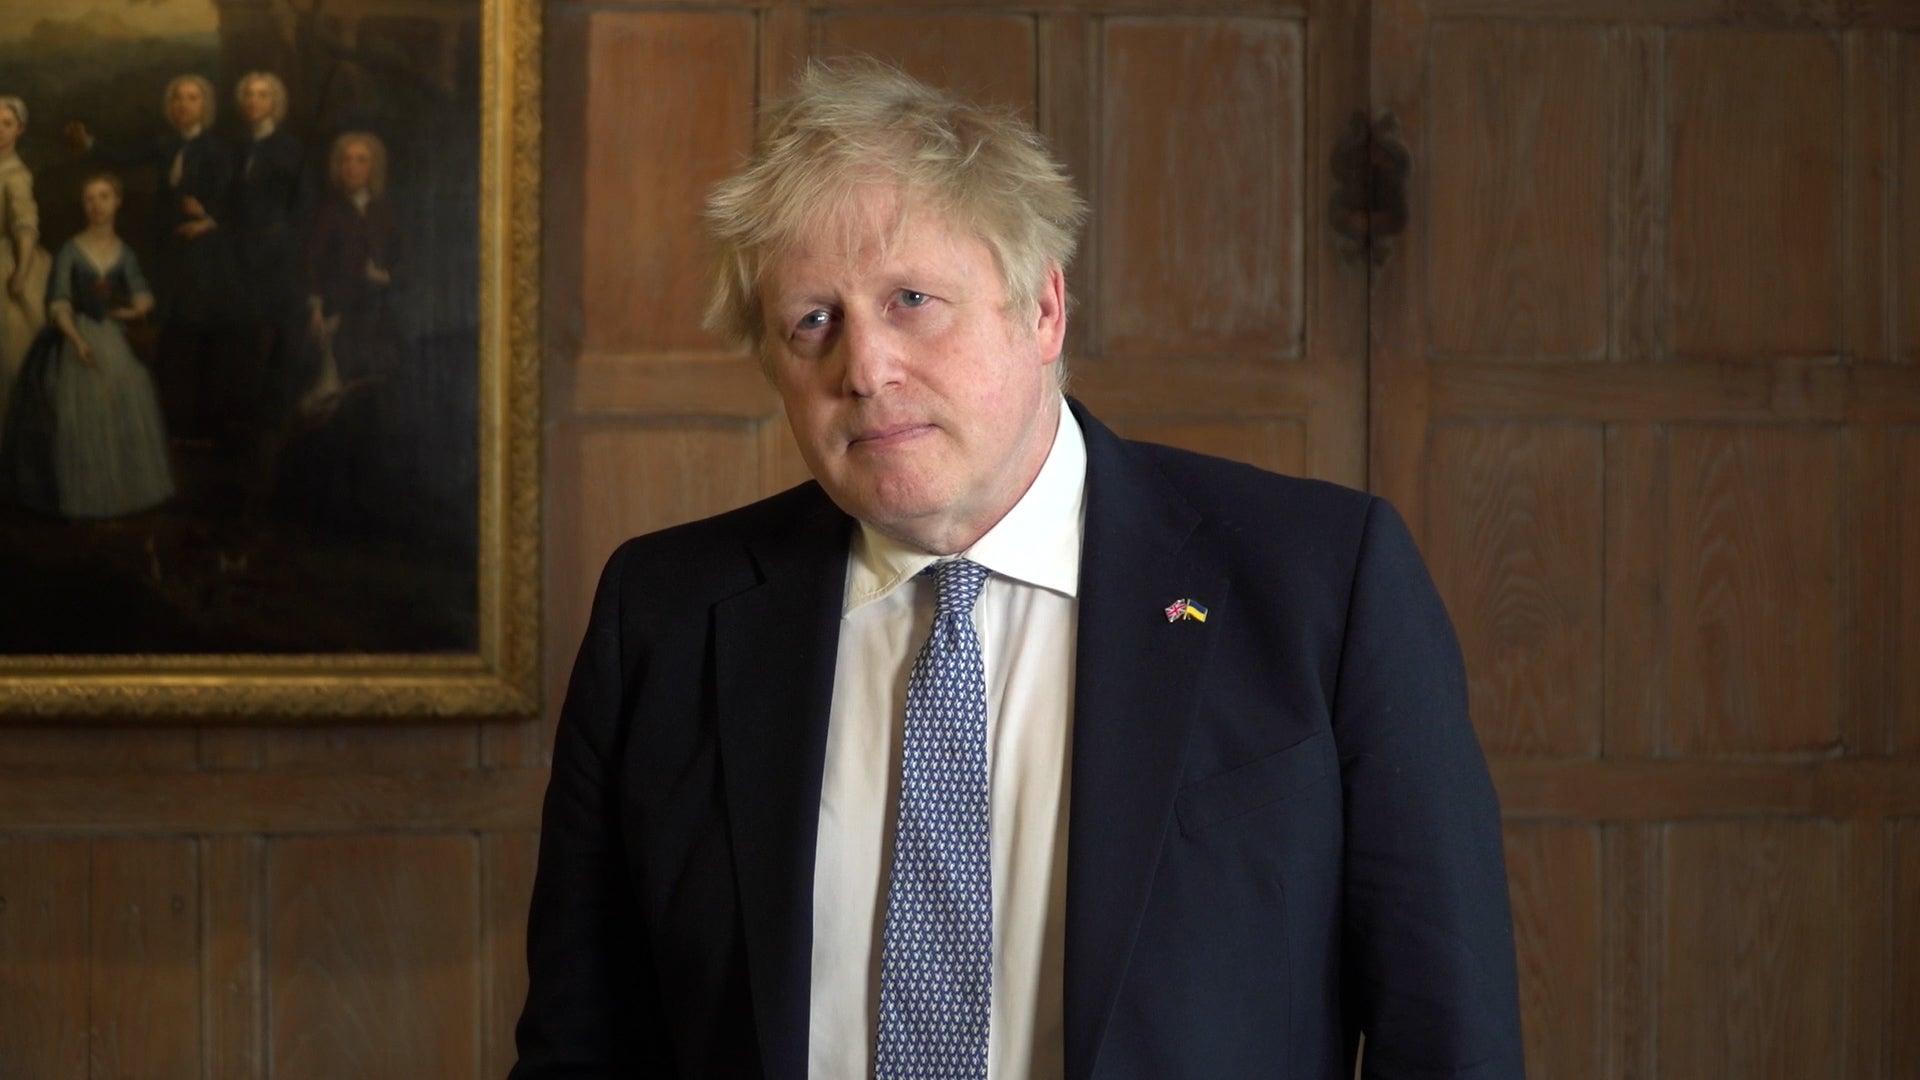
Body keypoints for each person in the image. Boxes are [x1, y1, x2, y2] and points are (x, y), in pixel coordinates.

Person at [513, 61, 1524, 1080]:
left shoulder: (1319, 584)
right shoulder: (668, 617)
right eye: (813, 320)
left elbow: (1448, 1042)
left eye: (913, 300)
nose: (864, 368)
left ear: (1044, 310)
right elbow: (580, 1047)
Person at [0, 173, 172, 518]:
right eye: (90, 199)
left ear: (117, 202)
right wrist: (76, 341)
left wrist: (133, 307)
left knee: (124, 406)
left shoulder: (124, 252)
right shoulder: (70, 250)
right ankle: (88, 496)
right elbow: (58, 303)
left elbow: (143, 294)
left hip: (113, 338)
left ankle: (122, 495)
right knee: (80, 416)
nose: (97, 205)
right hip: (75, 337)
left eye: (104, 197)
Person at [301, 130, 402, 415]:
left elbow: (403, 261)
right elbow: (312, 261)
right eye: (346, 160)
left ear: (374, 167)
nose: (352, 167)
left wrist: (385, 277)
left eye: (361, 160)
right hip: (339, 312)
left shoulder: (386, 211)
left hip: (379, 311)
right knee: (334, 391)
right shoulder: (328, 211)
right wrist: (316, 306)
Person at [0, 95, 50, 441]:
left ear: (20, 130)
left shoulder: (16, 174)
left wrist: (20, 272)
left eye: (6, 124)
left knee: (12, 356)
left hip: (8, 260)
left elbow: (25, 225)